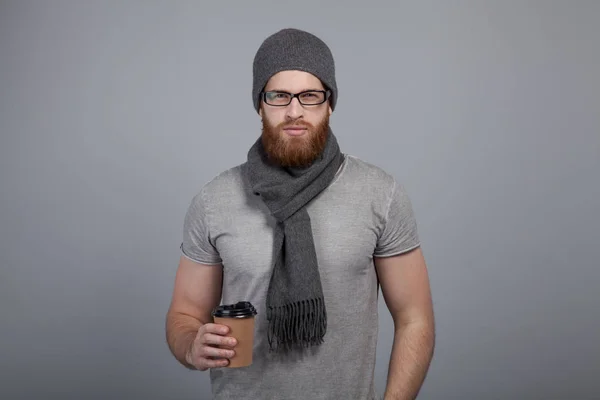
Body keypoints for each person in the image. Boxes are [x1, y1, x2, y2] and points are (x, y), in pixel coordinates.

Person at [166, 28, 435, 400]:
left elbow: (414, 319)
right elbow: (184, 315)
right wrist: (191, 346)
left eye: (310, 95)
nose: (294, 111)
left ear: (330, 103)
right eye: (279, 96)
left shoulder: (380, 193)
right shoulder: (216, 199)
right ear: (260, 104)